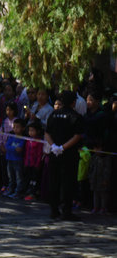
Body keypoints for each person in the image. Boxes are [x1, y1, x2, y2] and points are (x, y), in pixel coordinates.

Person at [45, 90, 84, 221]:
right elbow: (77, 136)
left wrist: (54, 147)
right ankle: (66, 211)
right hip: (69, 154)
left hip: (54, 152)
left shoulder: (54, 114)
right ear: (74, 102)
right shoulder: (75, 116)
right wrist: (63, 147)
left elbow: (47, 133)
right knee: (68, 182)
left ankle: (53, 210)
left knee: (54, 180)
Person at [3, 117, 26, 198]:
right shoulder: (11, 137)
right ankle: (10, 189)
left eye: (17, 127)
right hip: (9, 159)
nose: (15, 129)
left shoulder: (23, 139)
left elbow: (20, 149)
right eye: (14, 127)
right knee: (11, 177)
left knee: (19, 177)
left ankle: (18, 191)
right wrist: (14, 149)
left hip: (18, 160)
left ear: (23, 128)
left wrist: (13, 149)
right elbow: (7, 146)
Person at [22, 120, 44, 201]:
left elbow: (39, 154)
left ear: (38, 131)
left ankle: (33, 193)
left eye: (32, 130)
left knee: (34, 180)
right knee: (27, 178)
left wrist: (37, 164)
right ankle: (27, 192)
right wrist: (25, 162)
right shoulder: (28, 140)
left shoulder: (39, 141)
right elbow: (26, 152)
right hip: (28, 163)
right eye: (29, 130)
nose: (30, 132)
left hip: (35, 165)